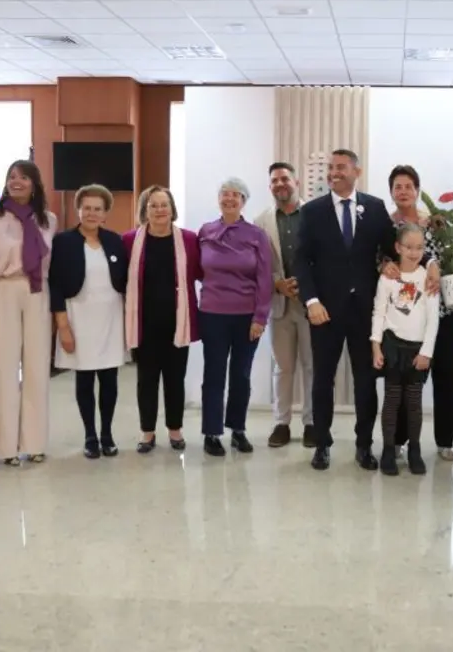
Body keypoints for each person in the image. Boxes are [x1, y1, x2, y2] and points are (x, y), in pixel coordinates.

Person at [296, 149, 404, 471]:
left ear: (356, 171)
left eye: (341, 167)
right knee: (322, 380)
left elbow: (389, 252)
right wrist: (312, 301)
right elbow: (301, 260)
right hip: (325, 311)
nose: (334, 173)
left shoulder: (374, 208)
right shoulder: (313, 211)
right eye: (331, 168)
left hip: (365, 312)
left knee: (366, 380)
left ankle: (363, 445)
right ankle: (322, 444)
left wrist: (392, 264)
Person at [380, 165, 453, 462]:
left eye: (409, 186)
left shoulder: (434, 222)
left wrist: (437, 265)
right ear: (391, 192)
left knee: (444, 375)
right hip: (403, 318)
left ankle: (445, 440)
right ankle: (398, 441)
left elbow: (446, 257)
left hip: (439, 311)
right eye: (398, 186)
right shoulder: (386, 226)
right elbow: (381, 260)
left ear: (417, 190)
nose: (403, 191)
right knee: (402, 379)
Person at [0, 160, 57, 466]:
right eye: (11, 177)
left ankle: (34, 442)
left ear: (35, 183)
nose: (16, 182)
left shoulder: (48, 220)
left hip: (37, 293)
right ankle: (5, 446)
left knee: (36, 370)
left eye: (23, 177)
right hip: (2, 290)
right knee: (3, 370)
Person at [48, 184, 129, 460]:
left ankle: (107, 434)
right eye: (87, 208)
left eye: (98, 209)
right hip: (77, 317)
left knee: (109, 379)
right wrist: (63, 326)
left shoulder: (116, 241)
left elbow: (126, 281)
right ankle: (90, 435)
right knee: (84, 378)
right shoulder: (63, 241)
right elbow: (55, 285)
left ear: (106, 213)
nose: (92, 213)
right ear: (78, 210)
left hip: (110, 318)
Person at [197, 178, 272, 457]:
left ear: (243, 201)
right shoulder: (206, 231)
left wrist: (260, 318)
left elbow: (264, 279)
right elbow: (196, 269)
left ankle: (238, 429)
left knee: (241, 375)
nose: (229, 199)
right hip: (212, 314)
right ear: (219, 199)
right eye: (224, 194)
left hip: (246, 317)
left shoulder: (256, 235)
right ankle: (211, 433)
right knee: (213, 374)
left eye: (235, 195)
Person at [124, 186, 200, 454]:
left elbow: (204, 272)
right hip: (144, 324)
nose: (159, 210)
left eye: (164, 205)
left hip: (178, 322)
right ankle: (147, 432)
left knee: (175, 379)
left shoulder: (189, 240)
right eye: (153, 205)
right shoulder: (130, 241)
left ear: (172, 208)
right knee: (146, 380)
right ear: (145, 209)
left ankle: (175, 430)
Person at [371, 223, 442, 476]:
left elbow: (434, 320)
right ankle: (389, 449)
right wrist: (376, 347)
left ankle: (415, 450)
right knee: (391, 401)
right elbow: (379, 313)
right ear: (398, 248)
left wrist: (427, 352)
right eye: (409, 247)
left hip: (417, 350)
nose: (414, 252)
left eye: (419, 247)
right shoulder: (388, 278)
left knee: (413, 403)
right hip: (392, 346)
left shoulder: (428, 279)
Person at [254, 162, 315, 448]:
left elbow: (323, 257)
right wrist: (277, 282)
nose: (280, 184)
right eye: (275, 181)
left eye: (285, 179)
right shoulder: (261, 221)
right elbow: (257, 265)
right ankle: (281, 423)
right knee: (283, 367)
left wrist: (308, 284)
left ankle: (312, 423)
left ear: (297, 182)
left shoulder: (315, 215)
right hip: (279, 304)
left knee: (312, 365)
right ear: (270, 187)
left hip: (310, 303)